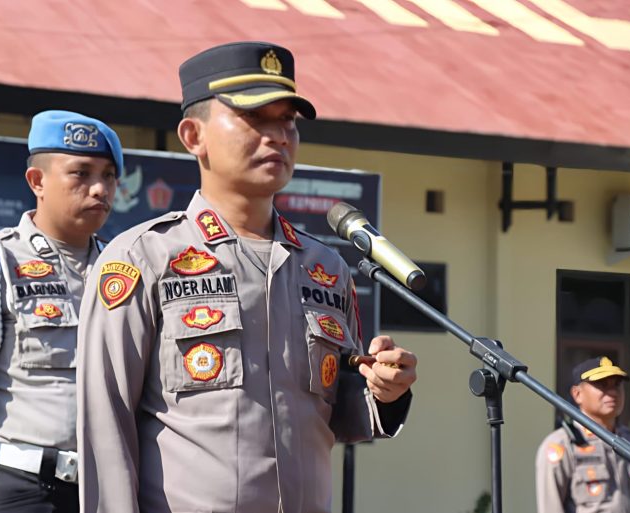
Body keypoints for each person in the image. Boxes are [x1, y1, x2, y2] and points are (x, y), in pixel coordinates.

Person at [77, 41, 418, 513]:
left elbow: (338, 416)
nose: (278, 135)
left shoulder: (325, 268)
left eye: (288, 121)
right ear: (193, 135)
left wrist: (386, 391)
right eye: (255, 118)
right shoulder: (143, 259)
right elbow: (105, 428)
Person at [0, 110, 122, 513]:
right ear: (37, 182)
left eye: (109, 175)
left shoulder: (122, 267)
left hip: (101, 491)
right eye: (81, 174)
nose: (99, 188)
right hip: (16, 489)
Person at [536, 356, 630, 512]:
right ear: (577, 394)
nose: (612, 392)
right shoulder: (562, 445)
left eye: (617, 384)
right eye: (602, 384)